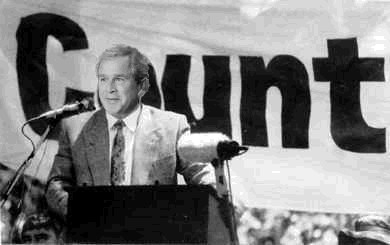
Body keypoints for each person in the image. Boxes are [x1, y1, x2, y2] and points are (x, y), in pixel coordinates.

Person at [45, 44, 215, 220]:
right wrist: (80, 213)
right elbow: (56, 185)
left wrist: (215, 199)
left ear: (142, 86)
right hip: (94, 235)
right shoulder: (74, 129)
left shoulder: (172, 126)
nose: (109, 88)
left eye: (119, 79)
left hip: (153, 233)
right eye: (103, 79)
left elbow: (202, 174)